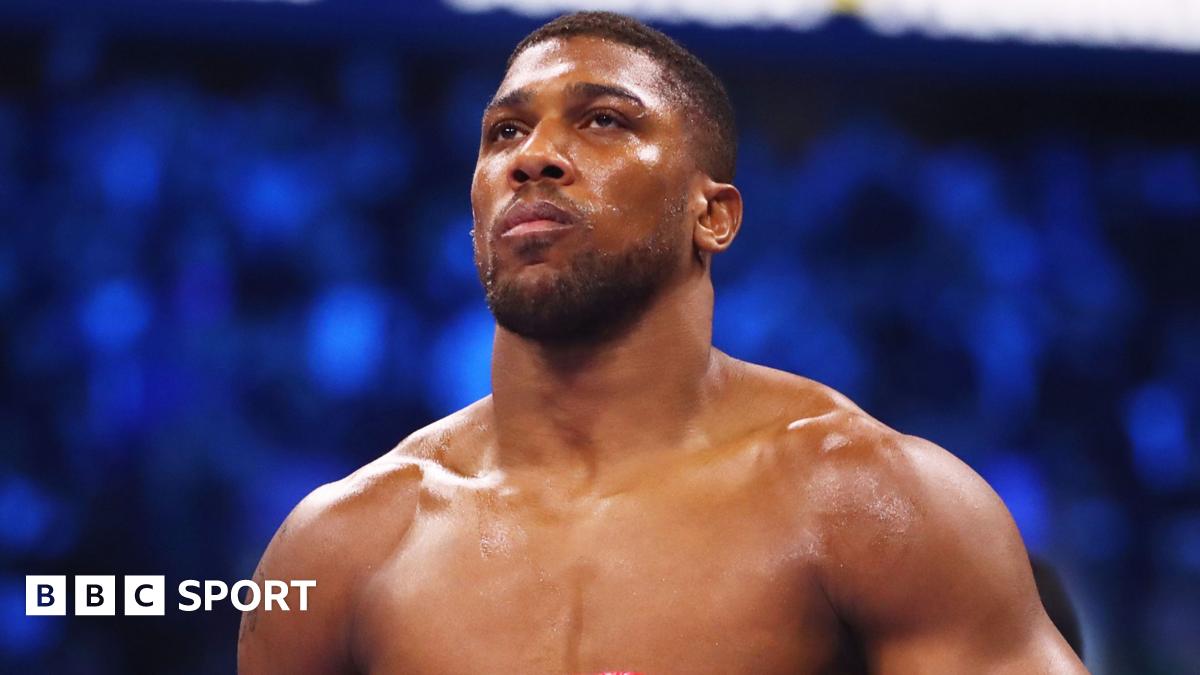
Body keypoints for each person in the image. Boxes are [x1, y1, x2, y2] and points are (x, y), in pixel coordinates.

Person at [238, 11, 1088, 674]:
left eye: (603, 121)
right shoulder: (342, 546)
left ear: (711, 216)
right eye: (504, 132)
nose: (534, 157)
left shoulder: (870, 506)